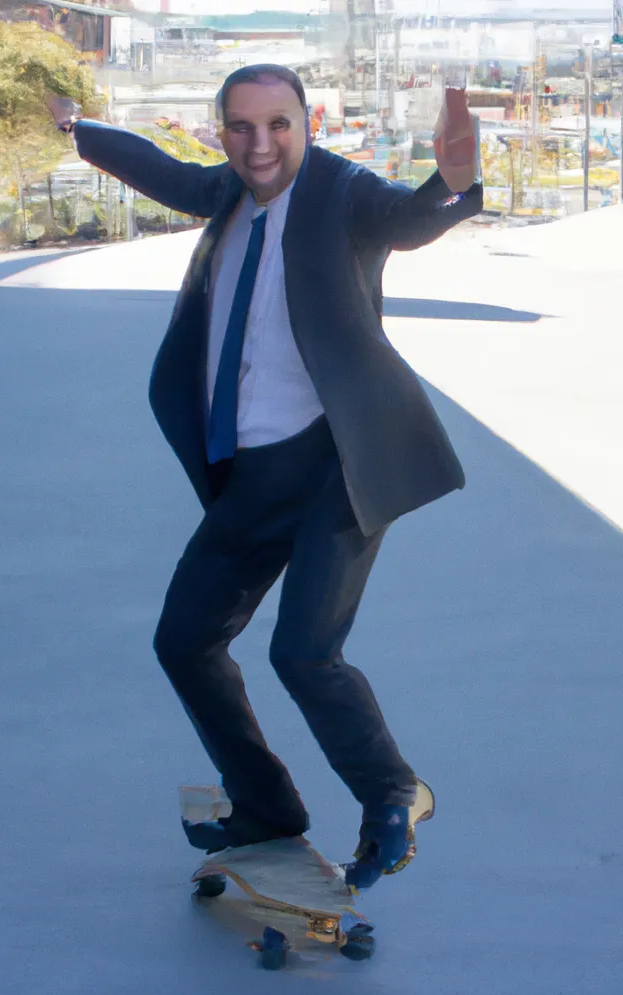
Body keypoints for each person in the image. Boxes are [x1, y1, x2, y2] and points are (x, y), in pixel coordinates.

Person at [46, 65, 481, 889]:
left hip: (338, 465)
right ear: (222, 132)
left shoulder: (343, 191)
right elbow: (158, 170)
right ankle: (267, 801)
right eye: (241, 128)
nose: (261, 145)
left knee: (305, 653)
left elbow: (412, 216)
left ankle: (393, 791)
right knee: (184, 640)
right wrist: (79, 130)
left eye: (278, 125)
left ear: (307, 122)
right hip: (255, 472)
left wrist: (454, 177)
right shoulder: (225, 194)